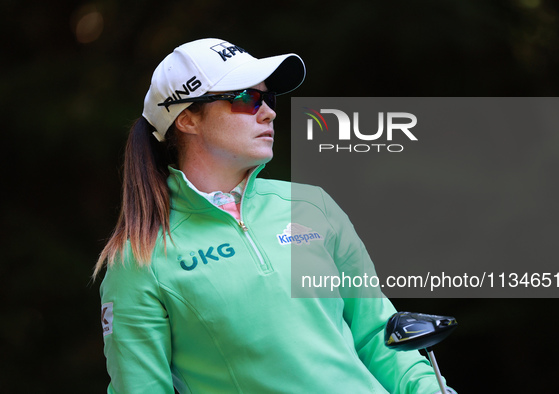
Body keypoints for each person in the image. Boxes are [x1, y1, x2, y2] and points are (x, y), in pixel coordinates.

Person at [95, 38, 455, 393]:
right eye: (247, 98)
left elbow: (378, 333)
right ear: (187, 119)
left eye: (268, 98)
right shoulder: (139, 259)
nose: (269, 111)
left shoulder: (312, 205)